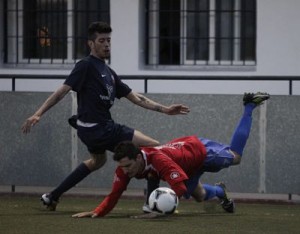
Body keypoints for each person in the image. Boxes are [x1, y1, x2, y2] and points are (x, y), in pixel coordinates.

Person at [21, 21, 190, 211]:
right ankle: (151, 205)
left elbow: (135, 97)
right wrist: (38, 114)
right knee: (154, 146)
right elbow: (62, 91)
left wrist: (165, 109)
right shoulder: (85, 66)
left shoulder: (109, 73)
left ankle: (52, 196)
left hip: (89, 130)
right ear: (91, 44)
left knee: (97, 161)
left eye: (108, 40)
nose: (107, 44)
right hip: (100, 128)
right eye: (102, 40)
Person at [71, 92, 270, 219]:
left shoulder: (159, 160)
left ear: (139, 158)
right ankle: (220, 192)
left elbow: (179, 188)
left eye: (128, 166)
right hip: (185, 166)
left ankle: (249, 105)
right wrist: (98, 212)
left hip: (200, 151)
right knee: (200, 196)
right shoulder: (126, 166)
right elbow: (115, 194)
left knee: (236, 157)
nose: (125, 171)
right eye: (122, 167)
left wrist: (157, 211)